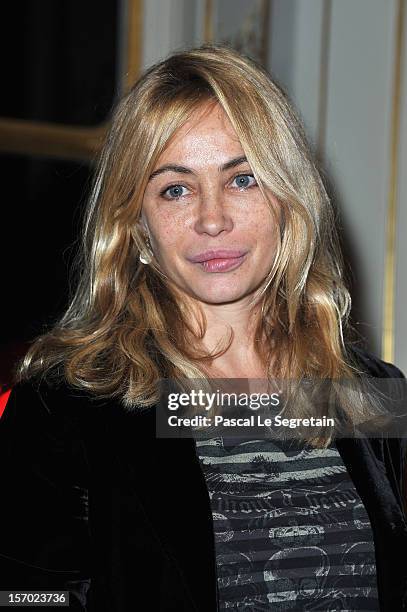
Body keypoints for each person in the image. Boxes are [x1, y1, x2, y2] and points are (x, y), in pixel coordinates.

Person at [0, 44, 406, 612]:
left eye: (242, 180)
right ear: (137, 228)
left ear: (289, 202)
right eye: (175, 188)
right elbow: (25, 597)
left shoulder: (370, 400)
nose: (212, 218)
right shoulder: (66, 408)